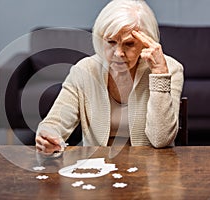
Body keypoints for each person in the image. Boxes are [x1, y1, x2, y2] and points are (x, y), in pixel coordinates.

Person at [35, 0, 184, 154]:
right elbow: (55, 122)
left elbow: (161, 140)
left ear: (147, 42)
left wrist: (159, 74)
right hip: (97, 167)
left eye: (129, 44)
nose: (118, 53)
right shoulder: (84, 70)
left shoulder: (170, 69)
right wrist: (48, 135)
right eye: (111, 42)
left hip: (150, 167)